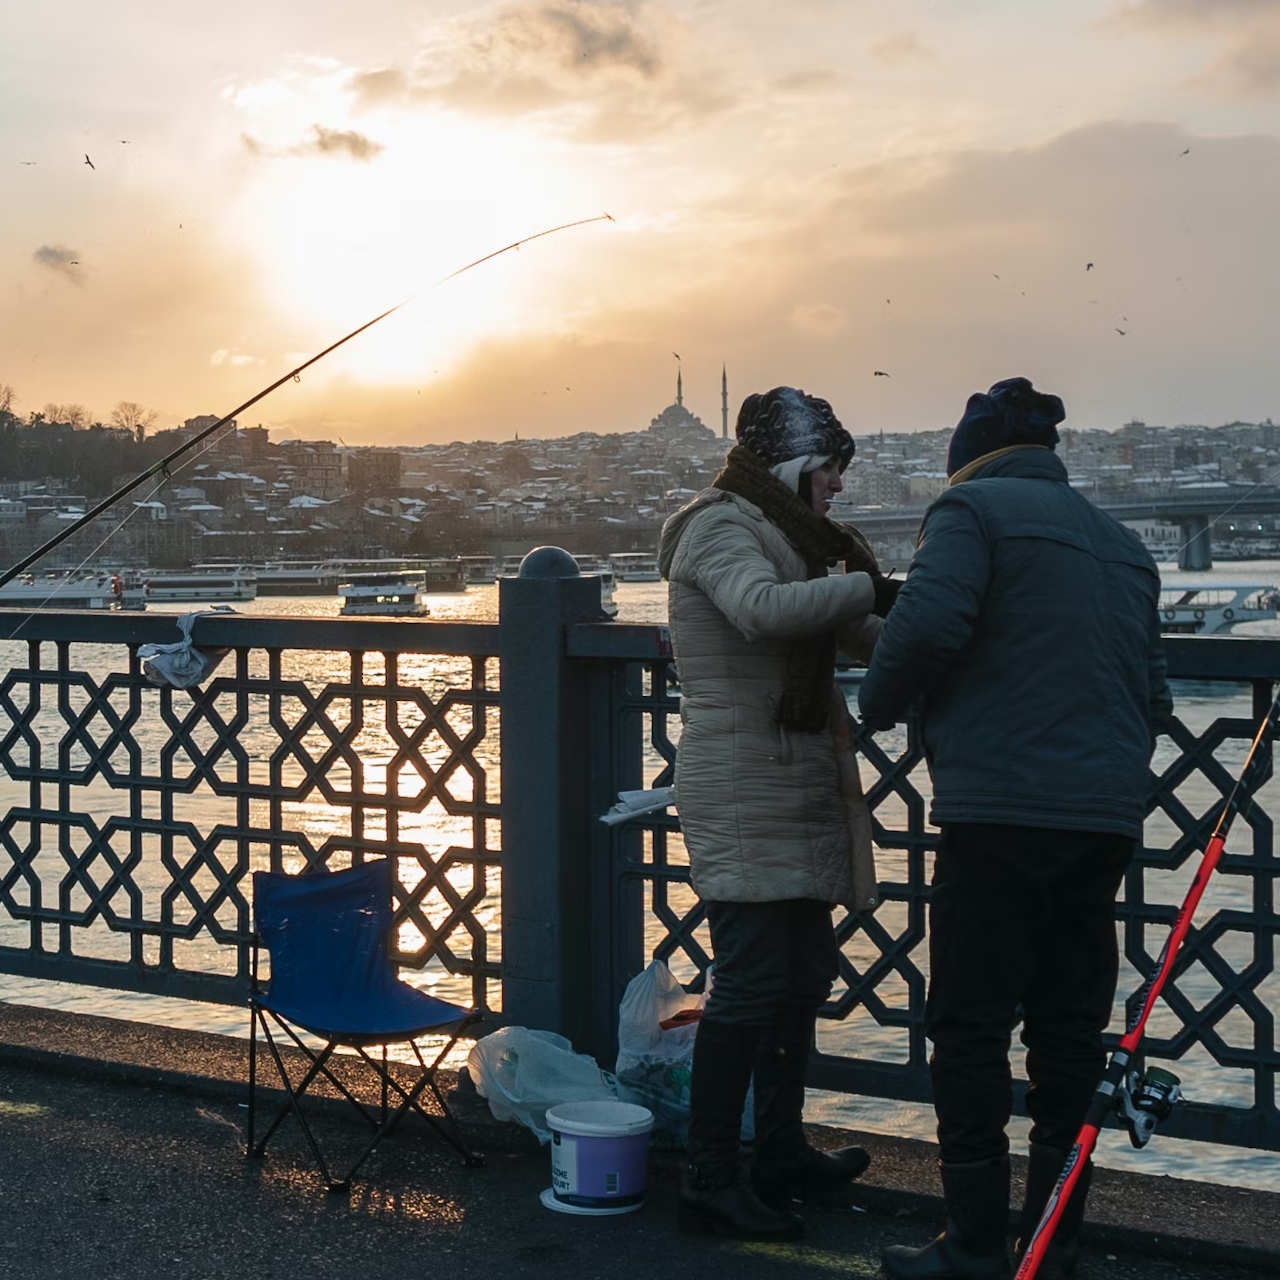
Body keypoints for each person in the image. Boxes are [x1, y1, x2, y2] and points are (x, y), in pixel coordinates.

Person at [858, 377, 1173, 1280]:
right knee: (1070, 1034)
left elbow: (930, 625)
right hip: (1101, 817)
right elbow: (1152, 695)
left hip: (998, 810)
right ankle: (1053, 1243)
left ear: (970, 453)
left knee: (969, 1026)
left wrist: (873, 709)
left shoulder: (971, 512)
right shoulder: (1122, 544)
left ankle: (972, 1245)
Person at [656, 386, 899, 1241]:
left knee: (802, 975)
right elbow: (763, 612)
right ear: (796, 464)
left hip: (790, 778)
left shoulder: (799, 542)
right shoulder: (720, 526)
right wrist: (868, 587)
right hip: (740, 778)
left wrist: (917, 612)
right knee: (753, 979)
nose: (837, 489)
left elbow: (856, 629)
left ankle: (782, 1150)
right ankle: (709, 1174)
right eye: (830, 470)